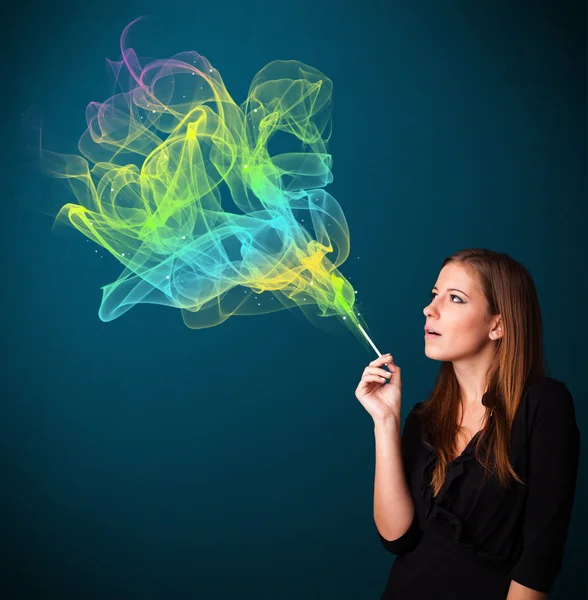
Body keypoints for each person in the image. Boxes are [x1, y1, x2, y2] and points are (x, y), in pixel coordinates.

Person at [355, 248, 580, 600]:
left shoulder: (544, 404)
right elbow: (397, 538)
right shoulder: (423, 418)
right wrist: (385, 422)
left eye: (455, 298)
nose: (430, 310)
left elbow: (540, 557)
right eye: (434, 296)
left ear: (498, 325)